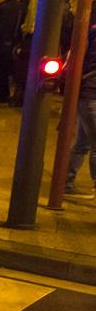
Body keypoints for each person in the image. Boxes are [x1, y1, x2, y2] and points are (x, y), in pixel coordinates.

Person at [63, 21, 96, 198]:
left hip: (87, 93)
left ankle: (67, 182)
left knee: (83, 142)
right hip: (91, 93)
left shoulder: (90, 33)